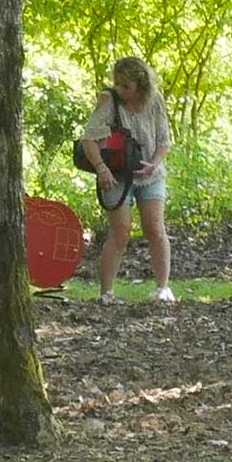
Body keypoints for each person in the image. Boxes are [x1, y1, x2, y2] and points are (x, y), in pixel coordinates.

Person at [80, 56, 176, 303]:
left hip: (150, 174)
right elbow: (88, 139)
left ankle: (162, 288)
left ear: (140, 84)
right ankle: (106, 293)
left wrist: (152, 164)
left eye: (127, 86)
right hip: (117, 174)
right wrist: (102, 169)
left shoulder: (154, 101)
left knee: (155, 228)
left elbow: (164, 140)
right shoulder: (109, 100)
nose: (121, 90)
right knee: (120, 232)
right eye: (118, 84)